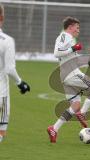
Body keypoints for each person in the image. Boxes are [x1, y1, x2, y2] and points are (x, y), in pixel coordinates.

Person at [47, 16, 90, 143]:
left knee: (75, 105)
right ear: (70, 27)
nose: (78, 30)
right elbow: (56, 53)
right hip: (71, 74)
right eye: (77, 27)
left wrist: (89, 63)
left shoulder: (70, 39)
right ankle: (82, 113)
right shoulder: (65, 36)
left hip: (67, 75)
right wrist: (74, 48)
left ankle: (54, 128)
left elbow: (74, 60)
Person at [0, 4, 30, 143]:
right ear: (2, 17)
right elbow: (9, 69)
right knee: (1, 131)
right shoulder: (6, 41)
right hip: (1, 94)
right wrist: (20, 83)